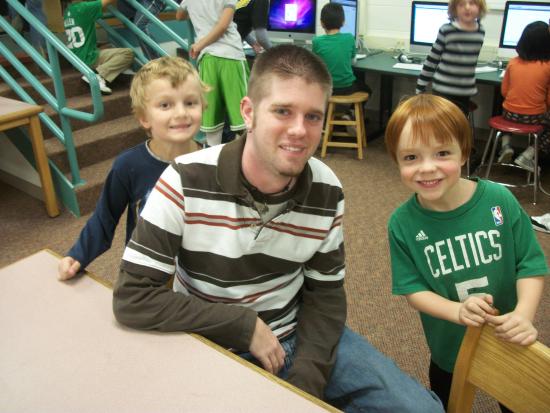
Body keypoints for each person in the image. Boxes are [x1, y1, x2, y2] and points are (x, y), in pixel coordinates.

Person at [112, 45, 444, 413]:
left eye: (313, 116)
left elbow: (325, 294)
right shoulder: (183, 180)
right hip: (214, 338)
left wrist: (306, 382)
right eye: (283, 111)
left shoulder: (327, 189)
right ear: (249, 112)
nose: (300, 131)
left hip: (296, 329)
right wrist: (243, 325)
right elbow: (133, 298)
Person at [385, 93, 548, 411]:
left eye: (442, 152)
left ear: (463, 152)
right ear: (396, 161)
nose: (427, 168)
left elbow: (529, 264)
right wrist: (456, 311)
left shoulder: (499, 200)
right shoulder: (401, 224)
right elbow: (414, 290)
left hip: (508, 340)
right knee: (449, 403)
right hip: (448, 348)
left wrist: (524, 315)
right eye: (411, 158)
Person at [58, 56, 205, 280]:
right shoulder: (129, 165)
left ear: (203, 106)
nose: (181, 113)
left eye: (190, 102)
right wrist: (79, 255)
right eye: (166, 105)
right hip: (147, 271)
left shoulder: (214, 160)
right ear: (144, 117)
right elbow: (105, 216)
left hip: (199, 274)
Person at [176, 0, 248, 147]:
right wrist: (199, 45)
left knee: (212, 113)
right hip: (231, 55)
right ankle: (249, 155)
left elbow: (179, 15)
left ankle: (212, 158)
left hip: (207, 58)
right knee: (243, 112)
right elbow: (223, 25)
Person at [416, 0, 487, 115]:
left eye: (472, 3)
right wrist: (421, 85)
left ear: (480, 7)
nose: (467, 7)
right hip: (443, 90)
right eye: (461, 4)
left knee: (459, 126)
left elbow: (470, 61)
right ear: (454, 9)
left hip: (465, 92)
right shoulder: (447, 30)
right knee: (443, 126)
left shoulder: (480, 31)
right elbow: (432, 60)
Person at [496, 21, 550, 171]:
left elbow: (504, 91)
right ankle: (528, 154)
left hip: (509, 114)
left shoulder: (513, 63)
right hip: (534, 116)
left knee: (503, 108)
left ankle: (506, 146)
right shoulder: (547, 66)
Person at [64, 0, 135, 94]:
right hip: (88, 58)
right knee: (127, 53)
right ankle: (99, 75)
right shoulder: (84, 7)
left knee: (108, 47)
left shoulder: (68, 11)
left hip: (76, 58)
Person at [312, 2, 370, 97]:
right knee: (367, 90)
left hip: (326, 89)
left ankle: (338, 109)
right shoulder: (350, 38)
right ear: (343, 22)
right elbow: (353, 62)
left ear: (322, 23)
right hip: (347, 88)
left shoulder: (316, 41)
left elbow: (316, 66)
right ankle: (351, 110)